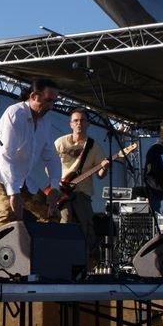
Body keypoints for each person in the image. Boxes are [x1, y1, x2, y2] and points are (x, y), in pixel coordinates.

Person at [0, 78, 62, 229]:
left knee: (52, 214)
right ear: (34, 96)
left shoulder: (45, 120)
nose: (51, 106)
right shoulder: (15, 113)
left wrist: (54, 187)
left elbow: (51, 157)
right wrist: (14, 193)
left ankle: (37, 244)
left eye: (54, 102)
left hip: (20, 179)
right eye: (48, 100)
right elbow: (6, 155)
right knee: (8, 212)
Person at [54, 108, 109, 260]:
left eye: (83, 120)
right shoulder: (60, 143)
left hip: (83, 193)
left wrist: (104, 168)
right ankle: (61, 258)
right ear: (71, 124)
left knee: (86, 228)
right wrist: (55, 180)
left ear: (88, 124)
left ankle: (86, 261)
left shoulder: (94, 147)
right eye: (76, 120)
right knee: (64, 223)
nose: (79, 123)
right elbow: (49, 164)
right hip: (62, 192)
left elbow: (100, 175)